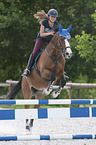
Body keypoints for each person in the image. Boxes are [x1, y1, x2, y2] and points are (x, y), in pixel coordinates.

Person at [23, 9, 59, 77]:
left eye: (54, 17)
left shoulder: (56, 24)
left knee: (56, 51)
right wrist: (50, 33)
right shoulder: (44, 22)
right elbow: (41, 34)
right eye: (52, 17)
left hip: (49, 40)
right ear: (49, 17)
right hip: (41, 39)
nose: (53, 18)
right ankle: (28, 69)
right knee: (34, 52)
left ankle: (59, 69)